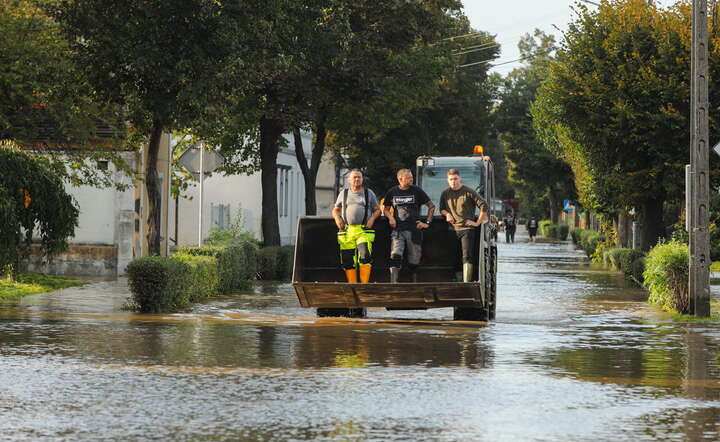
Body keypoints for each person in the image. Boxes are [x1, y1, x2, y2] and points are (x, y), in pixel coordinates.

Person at [383, 168, 435, 283]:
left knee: (414, 257)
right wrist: (390, 218)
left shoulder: (417, 190)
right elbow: (385, 209)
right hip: (398, 229)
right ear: (400, 179)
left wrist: (427, 223)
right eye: (408, 178)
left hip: (414, 229)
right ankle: (393, 282)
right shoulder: (392, 192)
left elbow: (431, 206)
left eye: (412, 177)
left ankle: (413, 279)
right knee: (395, 254)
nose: (411, 179)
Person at [439, 169, 488, 283]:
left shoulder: (468, 191)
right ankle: (457, 279)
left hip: (467, 229)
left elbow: (483, 205)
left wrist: (477, 223)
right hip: (452, 229)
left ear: (460, 178)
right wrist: (447, 214)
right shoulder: (445, 193)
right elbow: (441, 209)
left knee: (467, 256)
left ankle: (466, 282)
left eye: (455, 179)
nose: (453, 181)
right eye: (451, 179)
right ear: (448, 180)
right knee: (454, 256)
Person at [332, 169, 381, 283]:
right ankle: (352, 285)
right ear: (349, 180)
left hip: (363, 231)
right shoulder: (343, 193)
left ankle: (364, 285)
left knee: (365, 256)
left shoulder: (369, 193)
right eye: (354, 177)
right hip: (347, 231)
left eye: (359, 177)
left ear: (362, 179)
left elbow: (378, 210)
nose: (357, 179)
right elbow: (336, 209)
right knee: (347, 259)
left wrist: (372, 219)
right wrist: (337, 218)